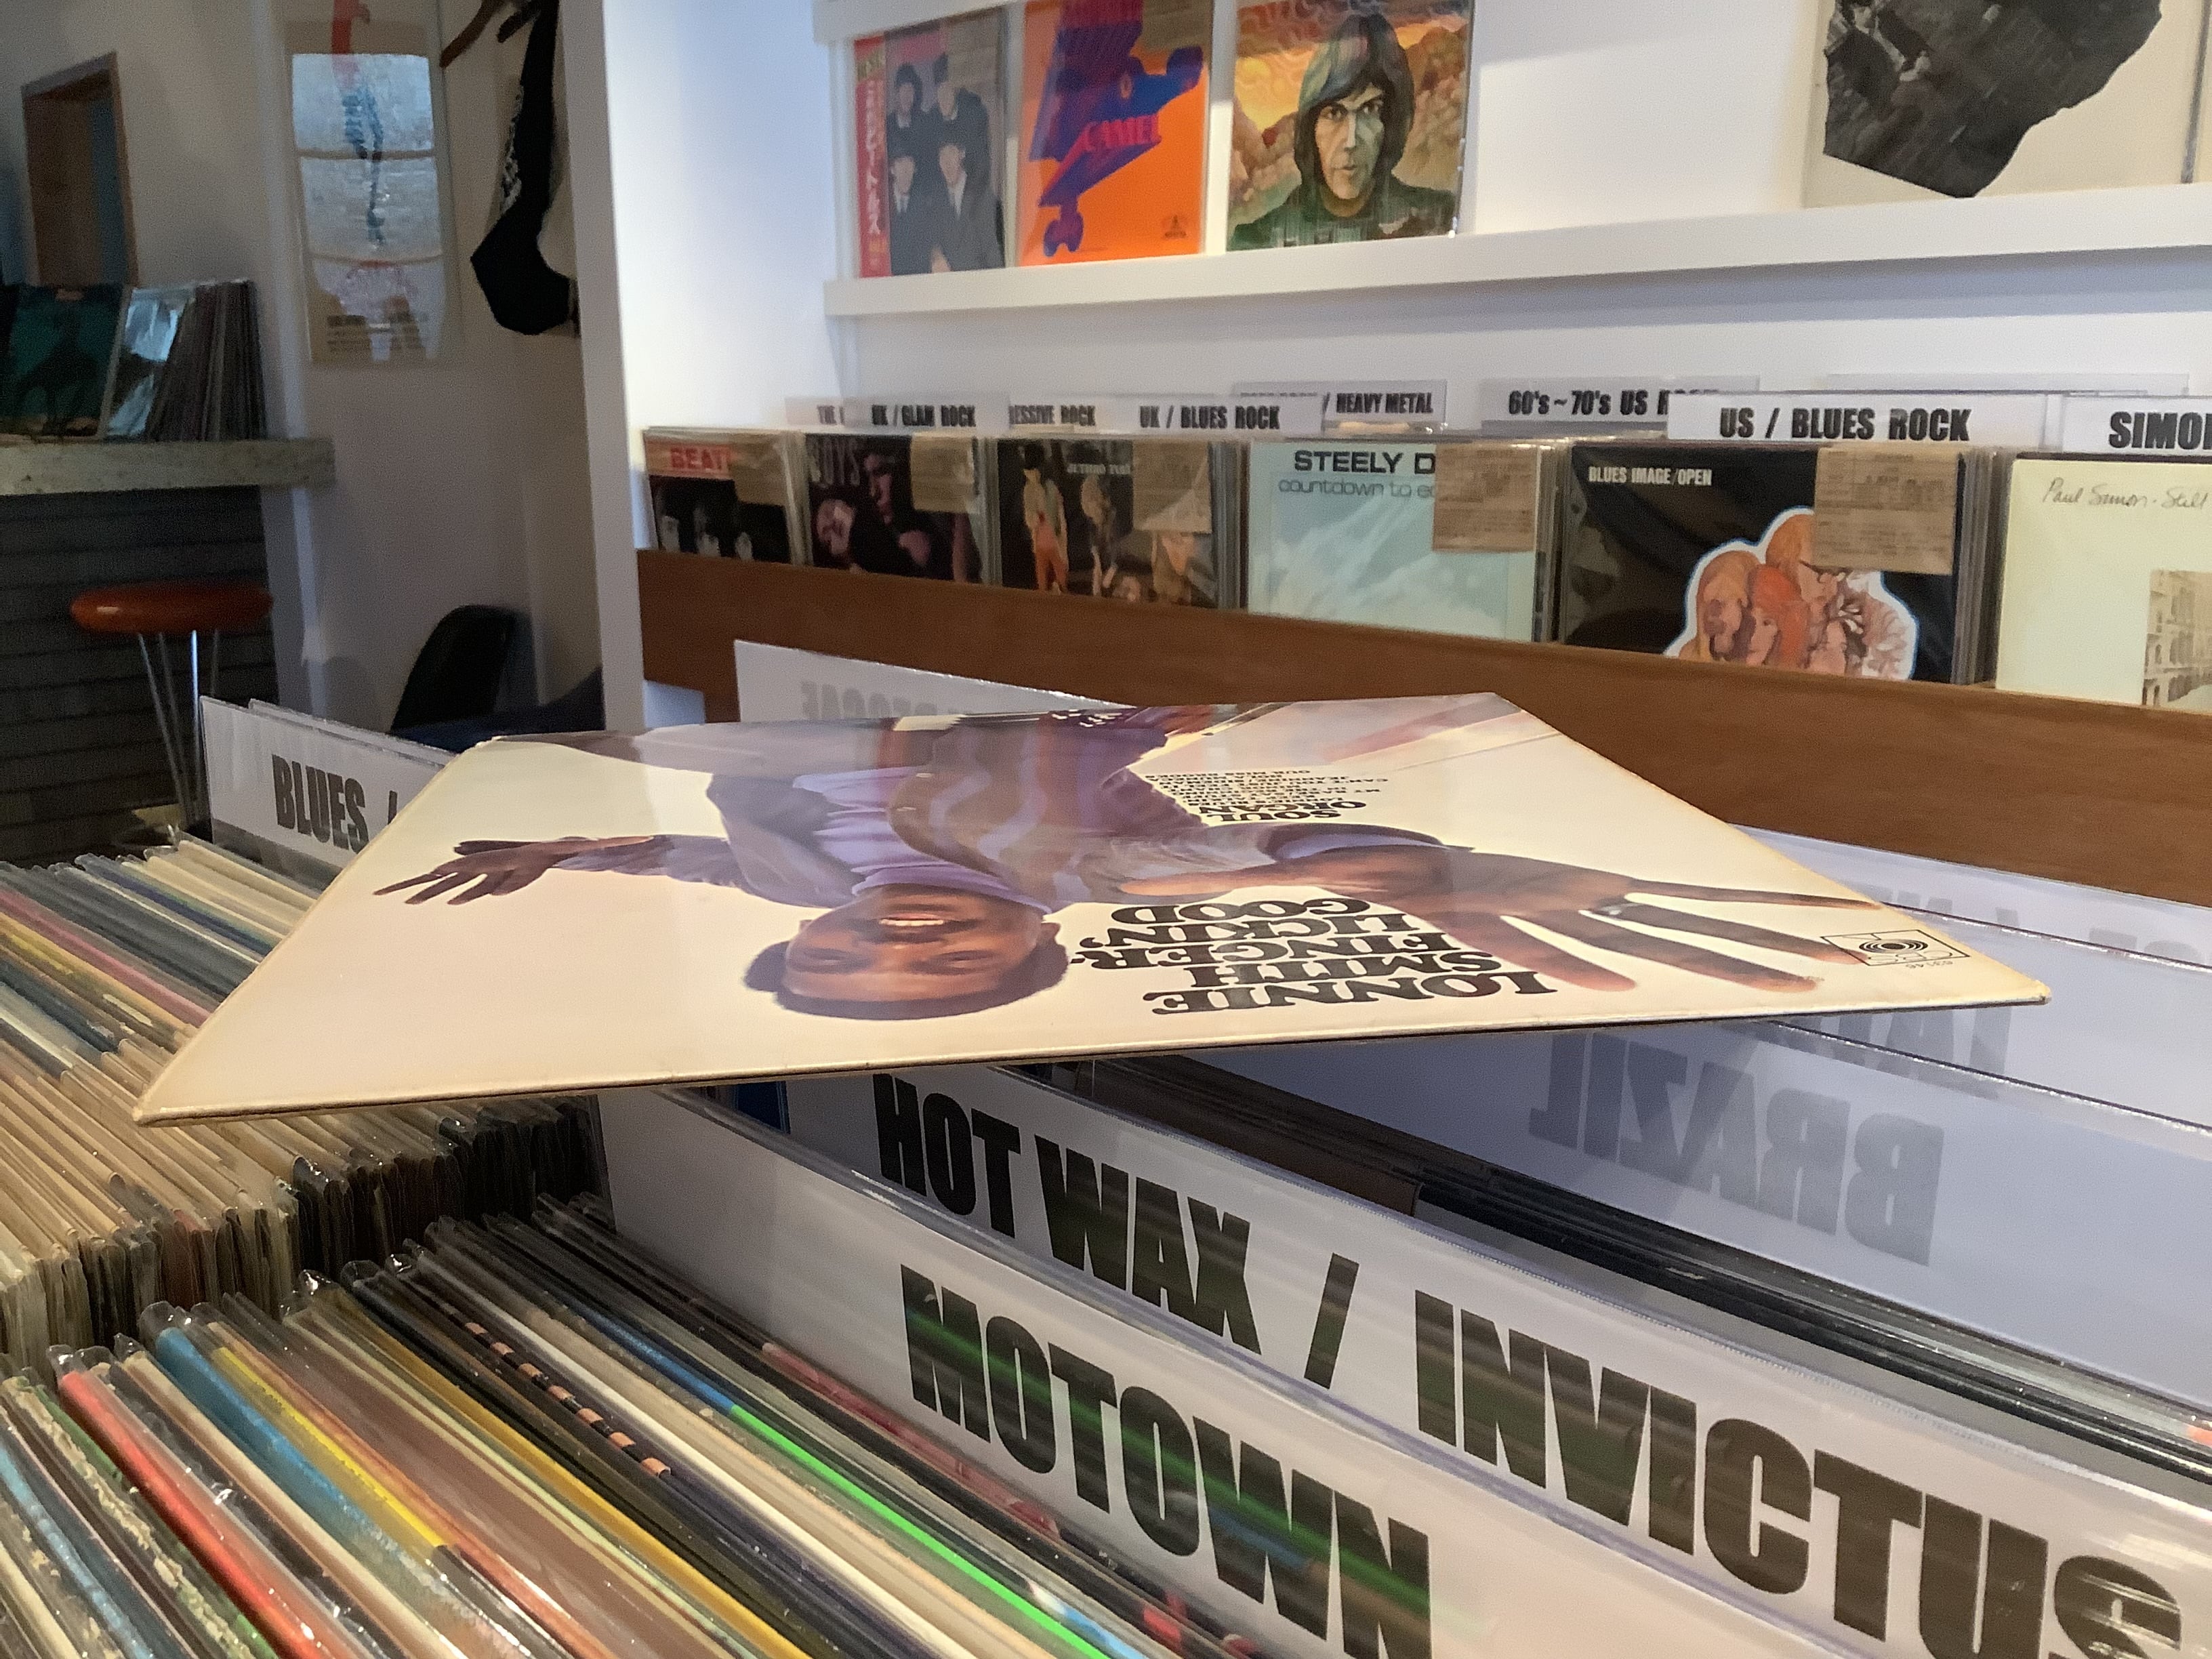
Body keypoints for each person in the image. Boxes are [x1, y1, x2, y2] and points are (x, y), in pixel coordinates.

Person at [378, 703, 1885, 1020]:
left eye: (845, 959)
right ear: (1035, 946)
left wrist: (562, 844)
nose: (898, 936)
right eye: (948, 962)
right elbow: (1276, 819)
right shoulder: (1107, 869)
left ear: (804, 940)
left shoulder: (779, 876)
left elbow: (679, 856)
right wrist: (1413, 864)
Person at [1230, 11, 1458, 250]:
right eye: (1334, 113)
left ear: (1391, 123)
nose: (1350, 141)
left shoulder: (1437, 218)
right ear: (1311, 127)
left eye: (1369, 110)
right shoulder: (1256, 240)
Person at [926, 134, 1003, 271]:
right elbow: (931, 238)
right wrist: (936, 255)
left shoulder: (982, 196)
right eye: (942, 156)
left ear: (962, 154)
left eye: (951, 153)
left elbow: (992, 250)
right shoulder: (936, 202)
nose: (947, 162)